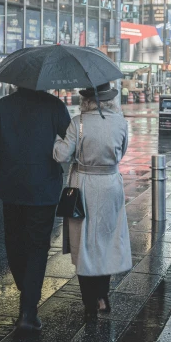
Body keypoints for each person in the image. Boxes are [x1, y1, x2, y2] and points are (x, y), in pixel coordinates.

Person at [0, 87, 71, 331]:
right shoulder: (54, 105)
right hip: (44, 189)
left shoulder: (3, 106)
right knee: (38, 246)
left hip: (12, 187)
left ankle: (26, 288)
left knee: (14, 240)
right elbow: (71, 140)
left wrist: (2, 172)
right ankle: (28, 313)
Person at [53, 82, 131, 321]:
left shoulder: (79, 123)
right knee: (106, 240)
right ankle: (102, 296)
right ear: (110, 99)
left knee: (84, 243)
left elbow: (62, 155)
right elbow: (123, 150)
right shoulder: (121, 122)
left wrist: (55, 140)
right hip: (111, 184)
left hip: (84, 186)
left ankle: (89, 302)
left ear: (85, 100)